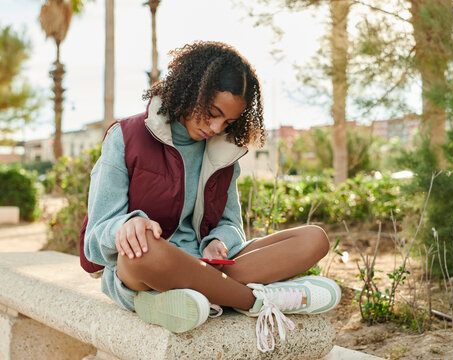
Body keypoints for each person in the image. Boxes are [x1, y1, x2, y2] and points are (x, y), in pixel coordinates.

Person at [83, 41, 341, 352]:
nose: (216, 127)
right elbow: (95, 238)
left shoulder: (223, 152)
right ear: (189, 91)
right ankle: (255, 300)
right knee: (143, 252)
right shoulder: (126, 137)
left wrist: (219, 241)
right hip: (150, 268)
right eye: (211, 113)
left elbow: (232, 224)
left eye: (228, 122)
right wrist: (125, 227)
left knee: (314, 239)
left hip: (211, 266)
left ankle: (193, 298)